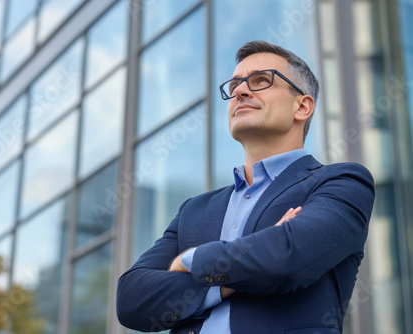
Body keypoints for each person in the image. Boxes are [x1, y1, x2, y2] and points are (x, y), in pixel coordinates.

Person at [116, 40, 375, 334]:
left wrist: (192, 260)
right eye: (235, 85)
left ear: (301, 106)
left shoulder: (342, 182)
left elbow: (287, 259)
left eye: (261, 80)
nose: (239, 91)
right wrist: (231, 279)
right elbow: (131, 300)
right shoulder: (194, 211)